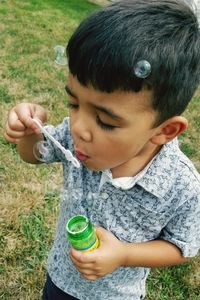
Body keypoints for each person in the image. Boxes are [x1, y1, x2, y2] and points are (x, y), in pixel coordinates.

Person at [4, 0, 200, 299]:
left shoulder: (182, 186)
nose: (78, 127)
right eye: (73, 103)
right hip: (60, 278)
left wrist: (123, 254)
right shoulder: (76, 138)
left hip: (118, 294)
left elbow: (181, 247)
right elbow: (33, 155)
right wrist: (29, 133)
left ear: (164, 131)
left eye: (105, 121)